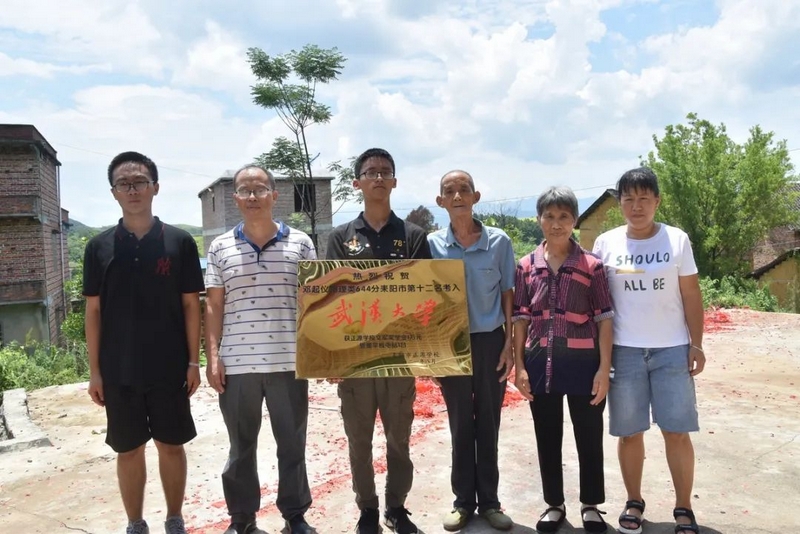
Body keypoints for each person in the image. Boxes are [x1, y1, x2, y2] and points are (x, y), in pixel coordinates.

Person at [83, 151, 204, 534]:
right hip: (118, 369)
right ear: (114, 192)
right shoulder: (98, 247)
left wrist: (194, 361)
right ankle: (135, 522)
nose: (132, 189)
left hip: (170, 366)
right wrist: (95, 371)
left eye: (139, 182)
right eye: (124, 183)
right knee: (128, 448)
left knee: (171, 444)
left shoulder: (179, 242)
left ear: (155, 188)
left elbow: (191, 305)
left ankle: (174, 518)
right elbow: (93, 312)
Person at [592, 167, 705, 534]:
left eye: (644, 198)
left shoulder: (677, 240)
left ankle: (684, 507)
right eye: (629, 199)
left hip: (671, 351)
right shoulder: (605, 244)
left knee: (676, 431)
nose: (636, 206)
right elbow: (598, 303)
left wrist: (696, 343)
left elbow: (691, 294)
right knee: (629, 433)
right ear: (619, 203)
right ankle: (634, 501)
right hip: (624, 353)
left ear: (657, 200)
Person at [204, 165, 316, 534]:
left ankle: (295, 516)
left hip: (289, 362)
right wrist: (213, 357)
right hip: (237, 365)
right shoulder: (219, 247)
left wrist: (321, 354)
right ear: (235, 199)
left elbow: (314, 301)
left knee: (292, 444)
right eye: (244, 190)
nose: (252, 196)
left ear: (274, 195)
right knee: (240, 447)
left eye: (259, 189)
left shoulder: (301, 243)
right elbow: (214, 306)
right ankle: (242, 519)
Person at [325, 148, 432, 534]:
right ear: (357, 182)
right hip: (356, 359)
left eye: (385, 172)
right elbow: (331, 298)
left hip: (399, 357)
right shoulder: (341, 237)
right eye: (370, 172)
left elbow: (424, 295)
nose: (379, 178)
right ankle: (367, 509)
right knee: (359, 441)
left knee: (399, 438)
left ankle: (396, 507)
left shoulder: (414, 237)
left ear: (394, 181)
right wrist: (332, 357)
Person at [512, 186, 614, 534]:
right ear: (539, 219)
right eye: (549, 216)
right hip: (540, 363)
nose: (556, 224)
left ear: (574, 220)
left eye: (564, 217)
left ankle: (591, 505)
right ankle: (554, 504)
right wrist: (520, 367)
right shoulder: (526, 265)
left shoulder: (591, 266)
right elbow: (520, 318)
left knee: (589, 434)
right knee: (547, 434)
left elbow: (604, 318)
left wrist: (604, 368)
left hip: (584, 364)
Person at [427, 170, 515, 531]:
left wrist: (509, 344)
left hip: (490, 340)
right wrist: (430, 352)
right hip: (450, 343)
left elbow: (508, 294)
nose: (458, 196)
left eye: (464, 189)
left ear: (476, 197)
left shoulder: (499, 242)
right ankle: (463, 502)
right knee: (460, 423)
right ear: (440, 201)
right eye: (449, 191)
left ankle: (490, 502)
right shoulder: (432, 245)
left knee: (489, 422)